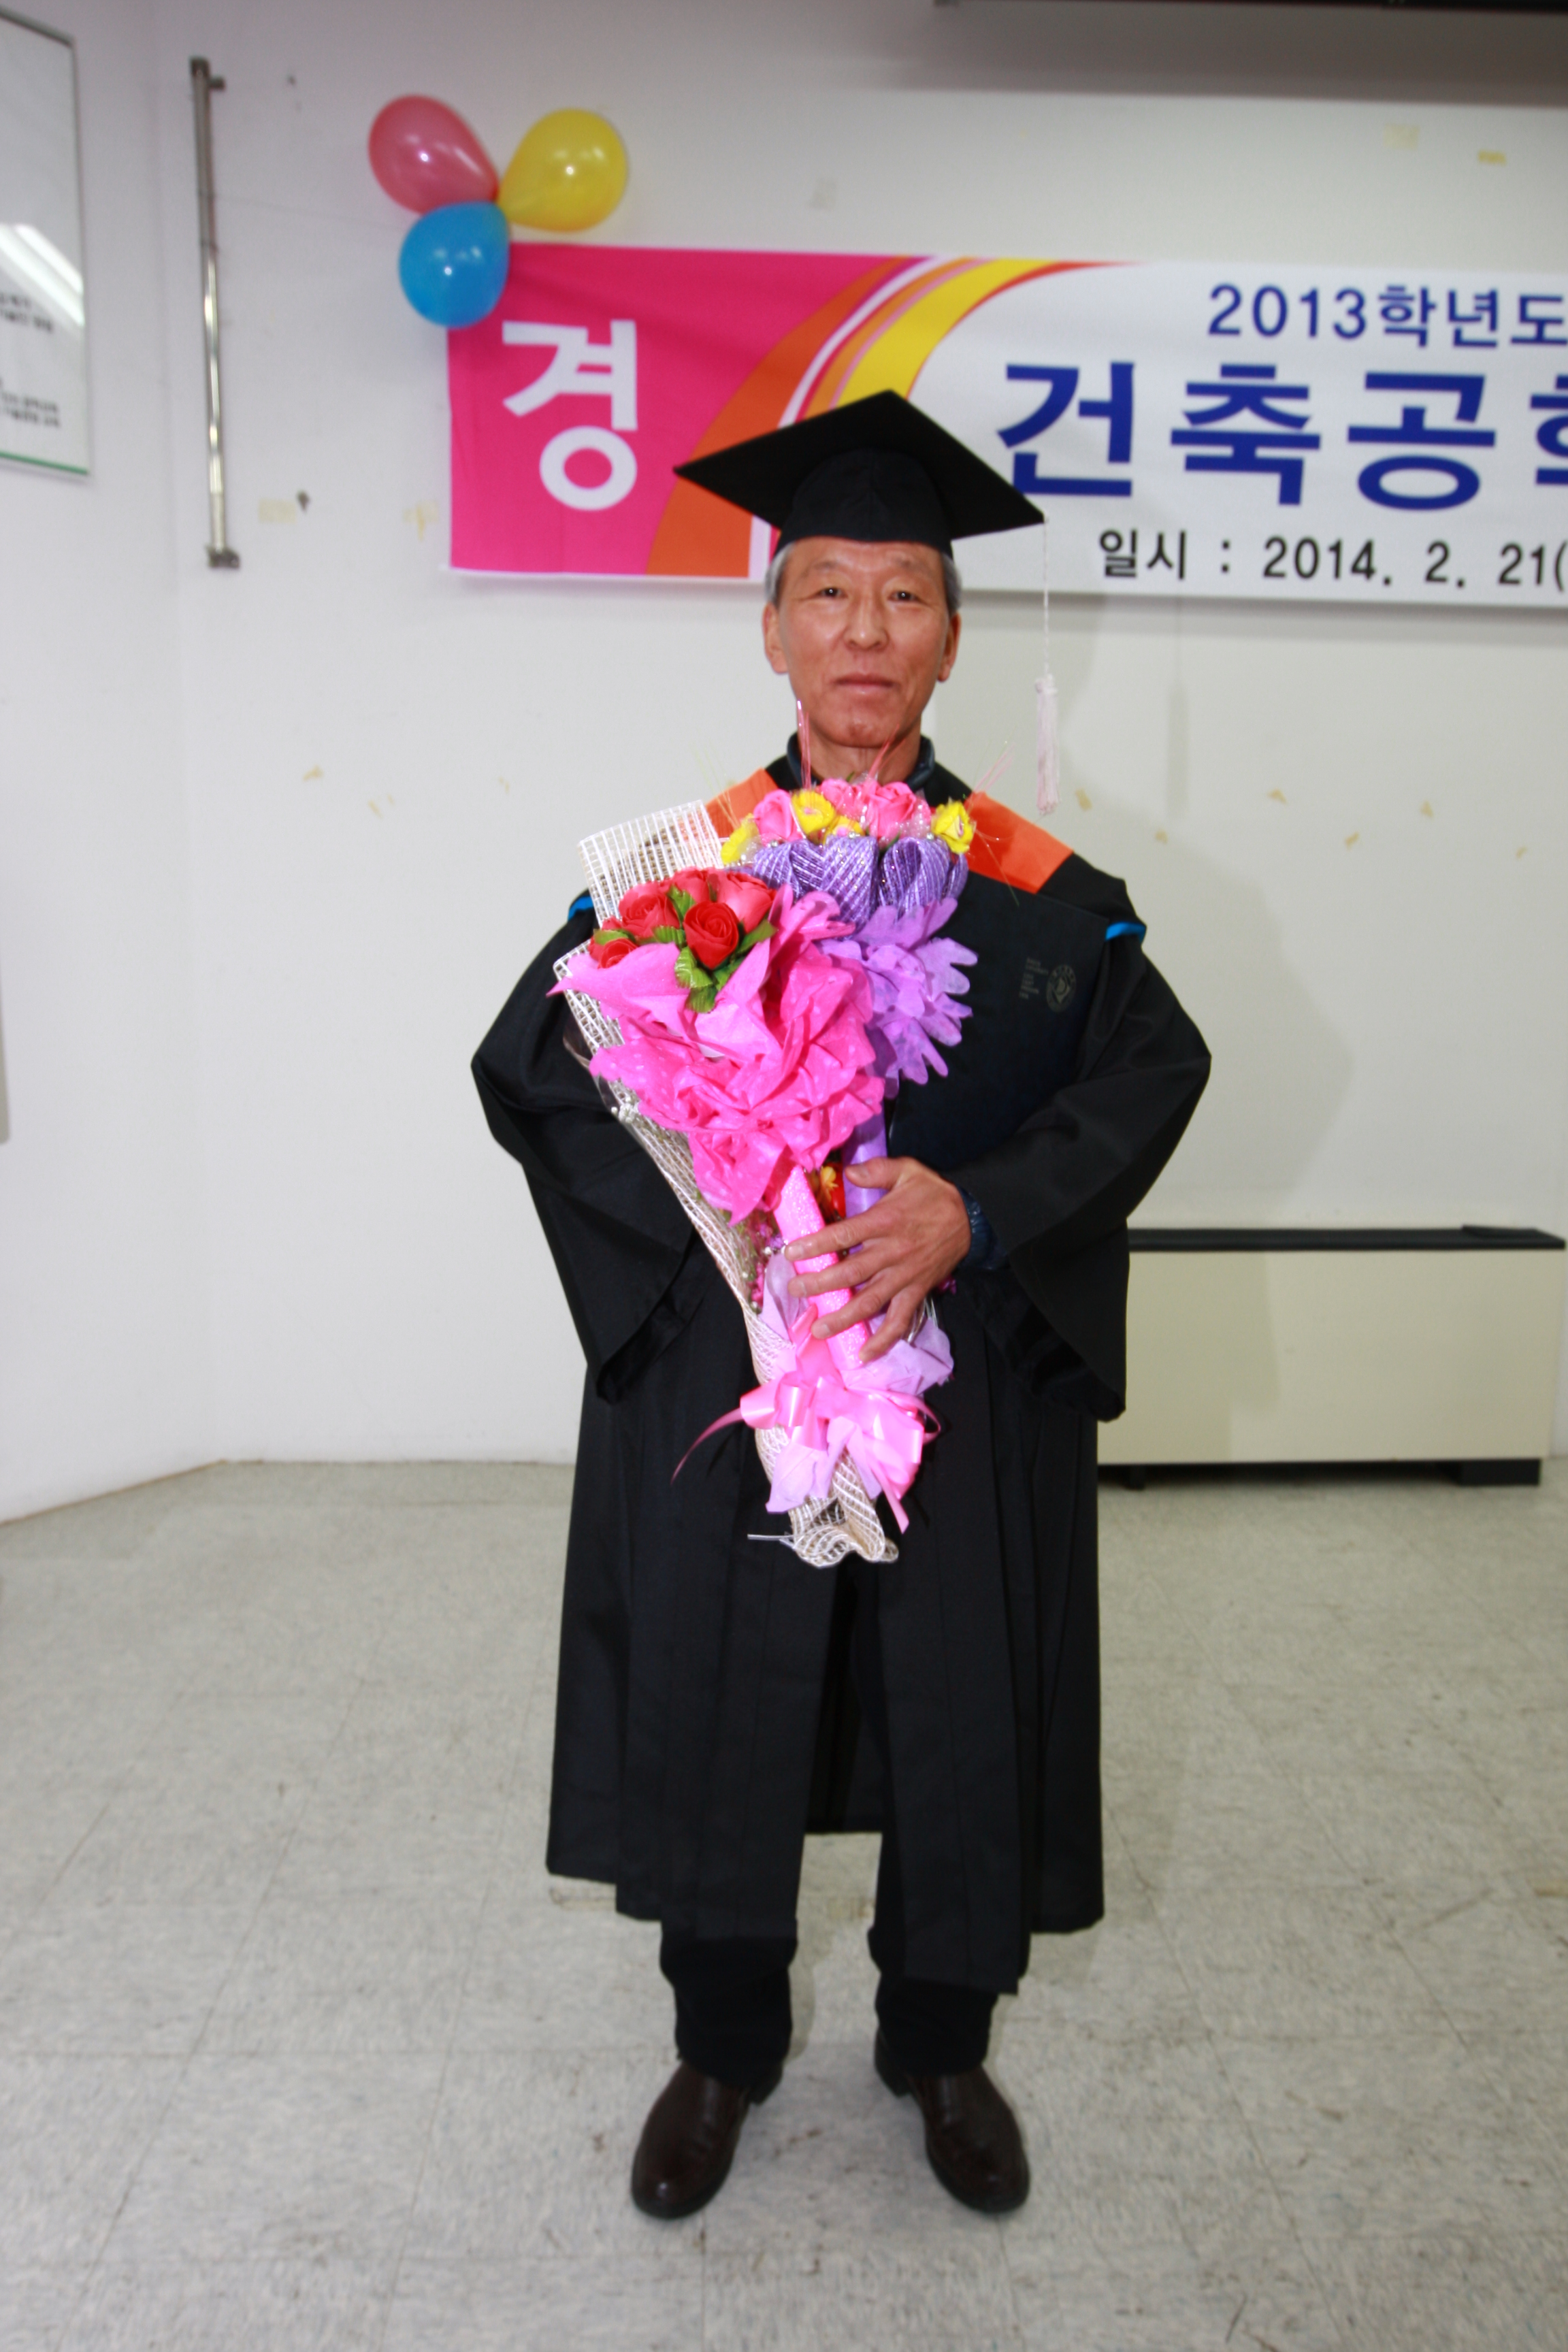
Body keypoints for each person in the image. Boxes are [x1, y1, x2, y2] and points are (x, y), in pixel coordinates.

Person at [473, 392, 1209, 2223]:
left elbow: (1153, 1071)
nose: (864, 633)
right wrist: (725, 1234)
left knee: (960, 1706)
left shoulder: (1047, 899)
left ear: (950, 635)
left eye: (903, 597)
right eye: (827, 593)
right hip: (745, 1383)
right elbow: (536, 1070)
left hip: (957, 1383)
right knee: (727, 1696)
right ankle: (721, 2045)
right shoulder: (675, 877)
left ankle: (938, 2044)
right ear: (774, 628)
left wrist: (980, 1209)